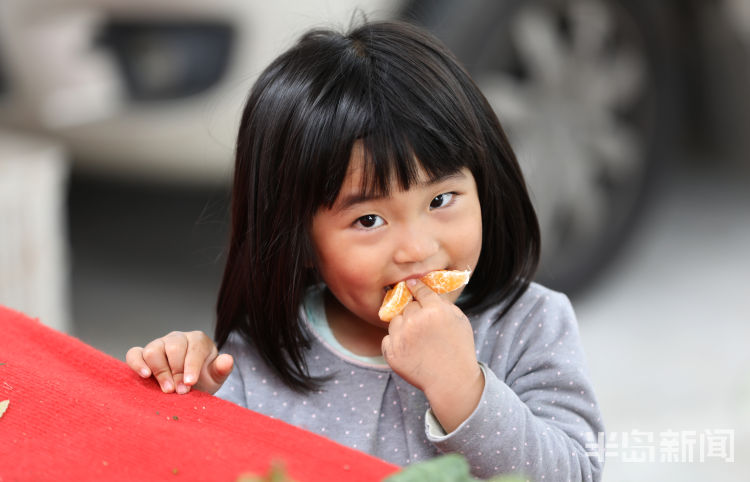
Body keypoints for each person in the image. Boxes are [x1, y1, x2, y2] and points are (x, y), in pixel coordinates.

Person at [126, 20, 604, 480]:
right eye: (369, 220)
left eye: (440, 200)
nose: (417, 249)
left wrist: (463, 389)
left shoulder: (528, 326)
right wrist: (195, 405)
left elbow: (578, 472)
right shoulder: (263, 357)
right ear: (300, 239)